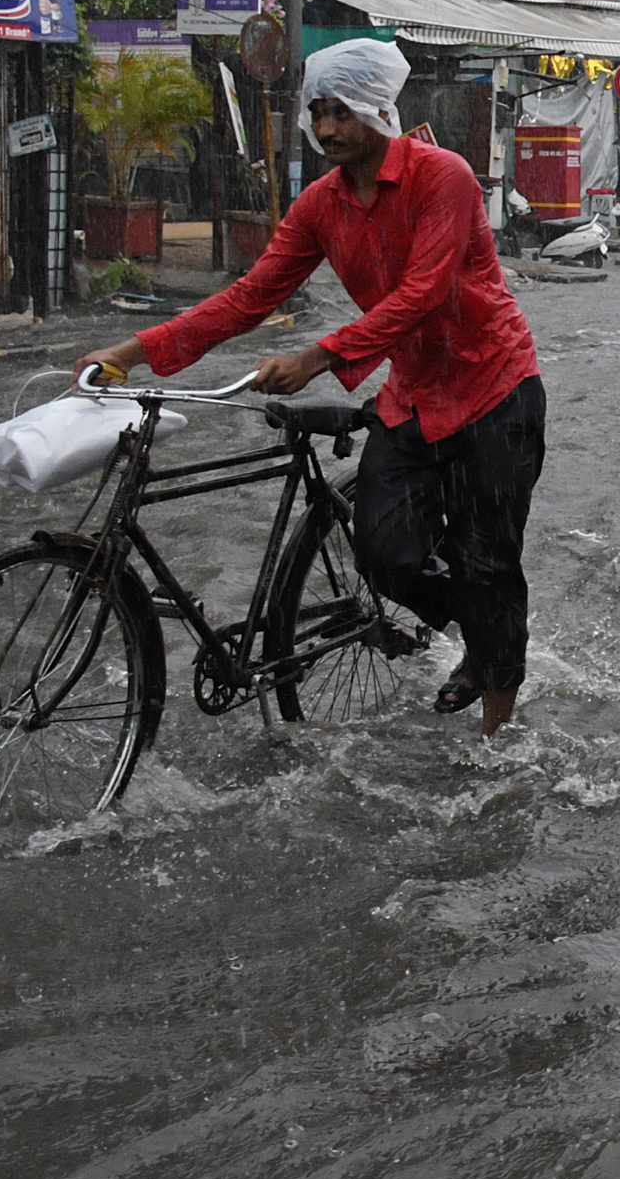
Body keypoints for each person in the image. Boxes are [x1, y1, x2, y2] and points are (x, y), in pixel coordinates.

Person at [75, 40, 544, 738]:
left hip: (494, 391)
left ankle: (495, 736)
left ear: (377, 110)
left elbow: (424, 292)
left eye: (340, 113)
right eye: (317, 114)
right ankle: (485, 632)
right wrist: (132, 352)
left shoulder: (441, 177)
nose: (325, 130)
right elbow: (248, 297)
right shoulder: (320, 206)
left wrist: (319, 356)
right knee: (383, 553)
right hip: (413, 395)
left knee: (488, 560)